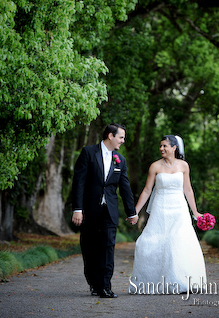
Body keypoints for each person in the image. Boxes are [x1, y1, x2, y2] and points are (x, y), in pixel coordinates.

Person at [129, 135, 207, 295]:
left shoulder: (184, 166)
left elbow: (188, 190)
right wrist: (135, 211)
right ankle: (156, 281)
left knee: (178, 241)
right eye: (160, 146)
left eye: (165, 146)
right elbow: (147, 190)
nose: (161, 149)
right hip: (160, 208)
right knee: (153, 242)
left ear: (174, 147)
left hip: (179, 209)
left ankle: (181, 281)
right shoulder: (155, 166)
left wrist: (196, 212)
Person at [72, 123, 138, 298]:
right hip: (89, 210)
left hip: (110, 211)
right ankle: (94, 282)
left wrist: (131, 212)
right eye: (121, 137)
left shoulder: (120, 160)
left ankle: (105, 286)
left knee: (108, 247)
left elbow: (125, 188)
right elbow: (78, 182)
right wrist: (77, 209)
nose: (123, 141)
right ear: (110, 136)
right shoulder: (88, 152)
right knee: (89, 248)